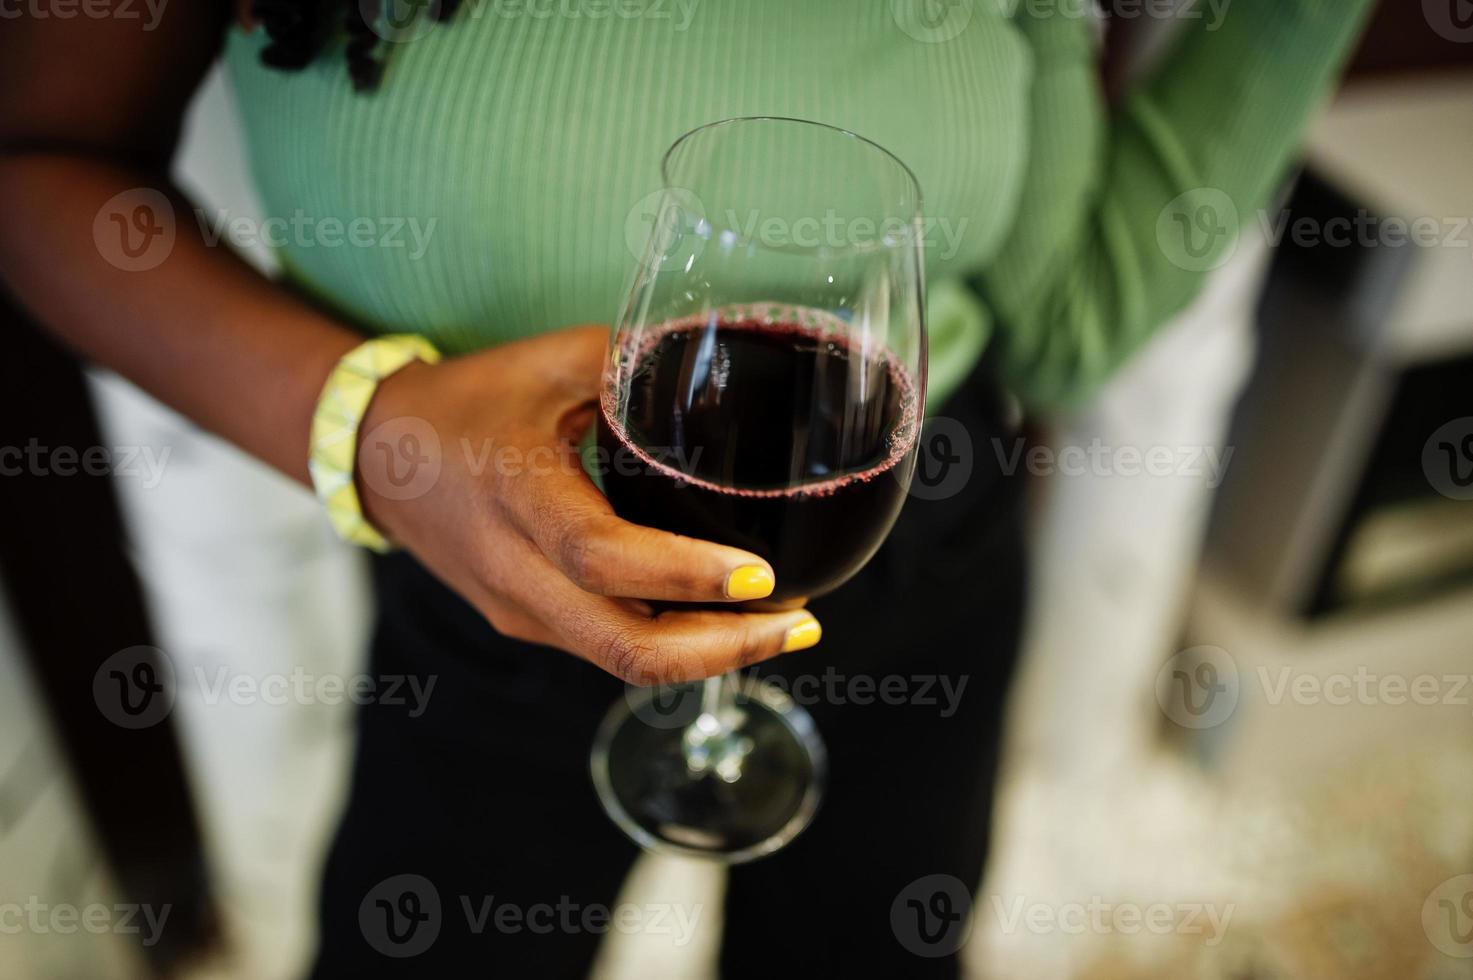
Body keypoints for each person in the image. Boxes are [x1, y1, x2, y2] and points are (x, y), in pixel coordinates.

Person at [0, 1, 1371, 976]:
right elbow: (40, 169)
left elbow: (1065, 318)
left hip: (910, 560)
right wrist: (371, 425)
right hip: (497, 590)